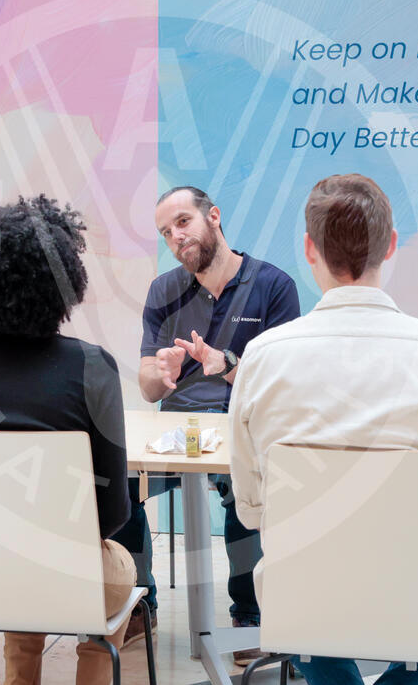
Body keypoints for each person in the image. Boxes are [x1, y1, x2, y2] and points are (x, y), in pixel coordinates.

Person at [228, 174, 418, 684]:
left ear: (309, 249)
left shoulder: (261, 358)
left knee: (308, 610)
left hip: (301, 604)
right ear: (392, 245)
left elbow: (252, 510)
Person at [0, 195, 135, 685]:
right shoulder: (93, 367)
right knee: (115, 565)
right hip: (72, 579)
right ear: (64, 281)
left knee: (19, 562)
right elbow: (112, 513)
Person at [114, 186, 300, 661]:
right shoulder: (164, 290)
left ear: (213, 216)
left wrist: (225, 364)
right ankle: (140, 604)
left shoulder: (273, 285)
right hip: (177, 432)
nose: (175, 237)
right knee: (116, 482)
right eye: (165, 232)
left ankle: (250, 616)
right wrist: (161, 373)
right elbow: (149, 388)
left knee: (246, 487)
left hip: (244, 426)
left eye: (183, 222)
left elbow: (283, 383)